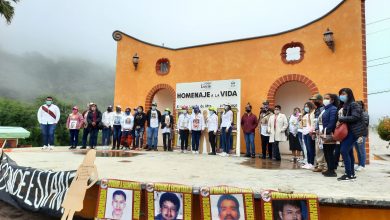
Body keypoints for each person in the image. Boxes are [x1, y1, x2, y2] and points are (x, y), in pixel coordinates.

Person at [337, 88, 367, 181]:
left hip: (354, 132)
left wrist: (342, 119)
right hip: (348, 131)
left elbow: (355, 117)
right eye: (341, 94)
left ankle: (348, 174)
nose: (342, 95)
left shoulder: (354, 104)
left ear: (349, 94)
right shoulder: (346, 104)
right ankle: (351, 174)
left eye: (344, 94)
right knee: (349, 152)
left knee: (344, 150)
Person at [320, 93, 339, 177]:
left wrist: (326, 131)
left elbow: (332, 122)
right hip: (324, 134)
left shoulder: (333, 109)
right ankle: (329, 169)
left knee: (330, 152)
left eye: (327, 98)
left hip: (329, 134)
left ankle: (332, 171)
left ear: (332, 100)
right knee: (326, 152)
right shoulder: (325, 109)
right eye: (324, 98)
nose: (325, 100)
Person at [310, 94, 326, 172]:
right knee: (318, 149)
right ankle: (320, 165)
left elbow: (320, 120)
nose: (313, 102)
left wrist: (317, 129)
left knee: (321, 149)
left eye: (315, 100)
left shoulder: (322, 108)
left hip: (321, 131)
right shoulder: (317, 109)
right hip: (317, 131)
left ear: (320, 100)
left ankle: (322, 166)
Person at [354, 100, 369, 172]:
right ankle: (359, 164)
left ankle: (362, 165)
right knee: (358, 149)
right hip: (356, 134)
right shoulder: (357, 114)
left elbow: (364, 125)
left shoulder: (364, 114)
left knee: (361, 150)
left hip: (361, 134)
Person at [301, 102, 316, 169]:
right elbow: (303, 124)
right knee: (307, 148)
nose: (306, 108)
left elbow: (313, 124)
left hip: (310, 132)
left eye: (307, 106)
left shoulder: (313, 113)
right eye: (305, 106)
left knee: (310, 149)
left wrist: (312, 131)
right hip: (305, 132)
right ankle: (308, 162)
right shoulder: (306, 115)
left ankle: (311, 163)